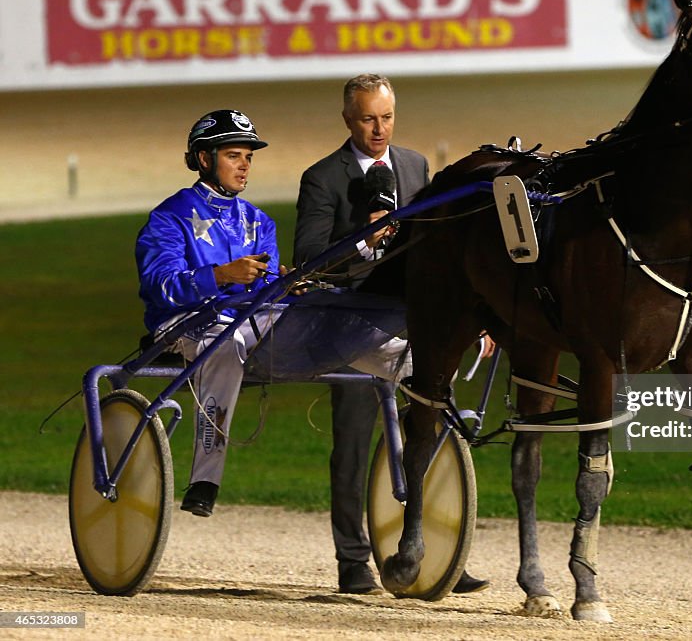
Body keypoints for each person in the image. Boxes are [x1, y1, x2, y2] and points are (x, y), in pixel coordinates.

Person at [135, 109, 408, 518]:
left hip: (252, 321)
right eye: (233, 155)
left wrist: (286, 285)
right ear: (205, 159)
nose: (245, 165)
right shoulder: (168, 218)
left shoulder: (258, 221)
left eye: (248, 156)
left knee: (345, 329)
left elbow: (265, 293)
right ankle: (205, 479)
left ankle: (430, 401)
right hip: (186, 324)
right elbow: (160, 286)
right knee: (225, 344)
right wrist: (220, 276)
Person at [294, 74, 489, 596]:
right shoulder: (322, 178)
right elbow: (307, 261)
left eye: (386, 118)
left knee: (433, 421)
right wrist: (362, 242)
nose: (378, 129)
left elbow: (435, 254)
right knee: (354, 441)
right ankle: (353, 560)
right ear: (347, 120)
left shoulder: (413, 166)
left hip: (410, 318)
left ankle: (432, 551)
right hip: (348, 322)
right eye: (367, 119)